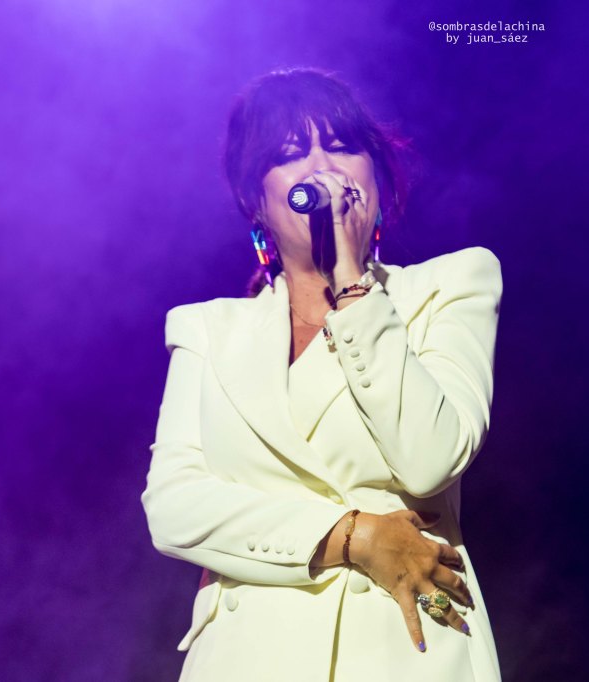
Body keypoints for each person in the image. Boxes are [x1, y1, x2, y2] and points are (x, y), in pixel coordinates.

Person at [141, 67, 503, 681]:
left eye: (340, 146)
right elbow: (174, 506)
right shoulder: (208, 329)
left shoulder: (449, 286)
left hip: (400, 649)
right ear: (256, 199)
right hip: (247, 658)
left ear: (376, 174)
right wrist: (352, 536)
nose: (321, 169)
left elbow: (431, 459)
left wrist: (353, 284)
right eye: (289, 155)